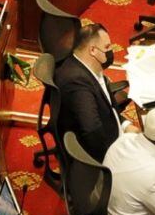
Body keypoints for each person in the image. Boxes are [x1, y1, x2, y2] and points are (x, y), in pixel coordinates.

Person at [54, 21, 127, 161]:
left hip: (116, 133)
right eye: (107, 47)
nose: (111, 51)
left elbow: (107, 106)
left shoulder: (91, 67)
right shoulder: (77, 82)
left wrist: (125, 124)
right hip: (108, 153)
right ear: (93, 50)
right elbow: (92, 132)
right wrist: (114, 159)